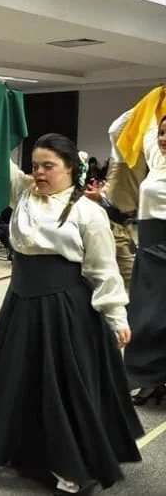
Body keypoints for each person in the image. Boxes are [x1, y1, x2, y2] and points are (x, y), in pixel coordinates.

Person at [0, 135, 142, 493]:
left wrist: (116, 317)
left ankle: (71, 463)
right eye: (35, 166)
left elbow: (103, 270)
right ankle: (21, 447)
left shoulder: (88, 211)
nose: (39, 173)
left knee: (62, 386)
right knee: (20, 378)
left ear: (70, 168)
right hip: (19, 302)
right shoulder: (24, 193)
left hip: (64, 308)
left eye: (49, 166)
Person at [123, 115, 166, 404]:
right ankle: (149, 379)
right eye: (162, 132)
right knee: (144, 316)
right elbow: (118, 128)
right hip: (149, 247)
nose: (164, 139)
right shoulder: (156, 158)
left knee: (163, 318)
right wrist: (149, 102)